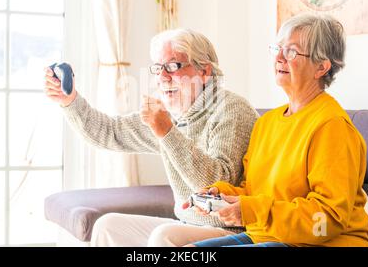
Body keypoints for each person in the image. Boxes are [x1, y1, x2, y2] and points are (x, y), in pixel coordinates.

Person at [44, 28, 259, 246]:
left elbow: (217, 184)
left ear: (204, 72)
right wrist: (69, 101)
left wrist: (166, 131)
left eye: (173, 66)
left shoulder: (231, 109)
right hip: (187, 225)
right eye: (157, 68)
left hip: (229, 231)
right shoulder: (172, 114)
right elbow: (110, 132)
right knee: (108, 226)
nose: (162, 77)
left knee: (163, 236)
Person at [185, 13, 368, 247]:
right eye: (278, 49)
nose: (279, 58)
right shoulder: (267, 122)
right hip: (268, 236)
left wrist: (253, 211)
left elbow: (327, 219)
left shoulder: (331, 126)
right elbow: (254, 191)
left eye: (292, 51)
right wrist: (221, 195)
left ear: (321, 67)